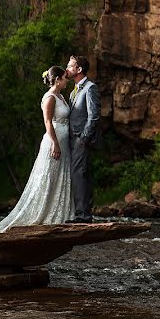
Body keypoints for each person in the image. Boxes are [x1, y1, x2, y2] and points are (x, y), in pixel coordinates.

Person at [0, 66, 74, 233]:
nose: (67, 81)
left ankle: (57, 212)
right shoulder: (49, 98)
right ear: (57, 80)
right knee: (47, 177)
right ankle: (40, 214)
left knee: (58, 177)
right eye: (65, 78)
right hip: (54, 141)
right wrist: (55, 143)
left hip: (64, 141)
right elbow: (47, 122)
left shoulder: (61, 96)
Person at [65, 54, 100, 223]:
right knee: (79, 175)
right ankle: (82, 213)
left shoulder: (90, 88)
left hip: (81, 139)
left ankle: (83, 216)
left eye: (70, 66)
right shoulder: (73, 92)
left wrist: (84, 138)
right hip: (71, 140)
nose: (67, 69)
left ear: (78, 70)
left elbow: (93, 116)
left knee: (79, 174)